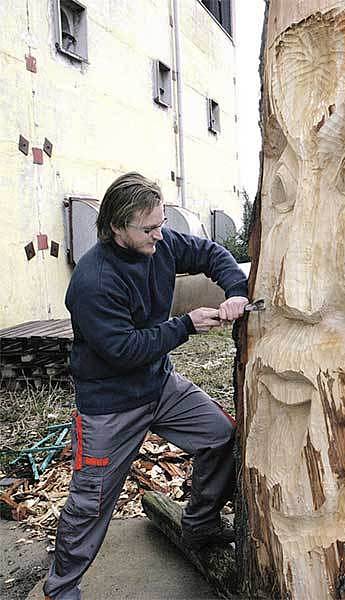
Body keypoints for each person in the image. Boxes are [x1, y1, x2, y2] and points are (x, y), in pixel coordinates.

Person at [43, 172, 248, 600]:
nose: (160, 234)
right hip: (109, 404)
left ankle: (200, 524)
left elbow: (211, 253)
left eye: (161, 224)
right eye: (149, 228)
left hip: (159, 385)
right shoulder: (94, 282)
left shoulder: (161, 243)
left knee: (221, 436)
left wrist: (236, 291)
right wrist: (186, 325)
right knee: (90, 501)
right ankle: (61, 589)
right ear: (117, 227)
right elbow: (124, 350)